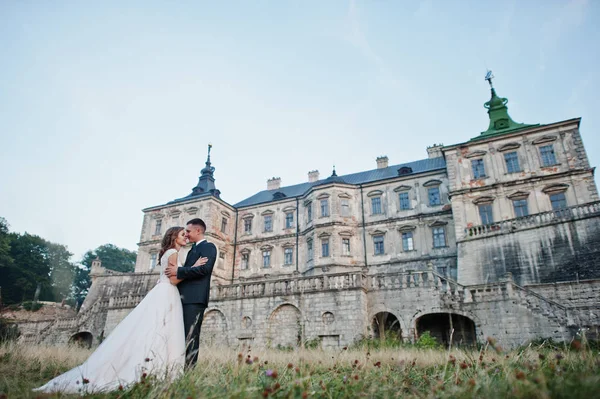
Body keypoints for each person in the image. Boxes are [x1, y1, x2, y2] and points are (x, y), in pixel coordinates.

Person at [34, 227, 207, 393]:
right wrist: (193, 269)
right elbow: (174, 280)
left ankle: (149, 368)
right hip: (168, 292)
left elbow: (168, 276)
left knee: (153, 331)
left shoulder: (167, 253)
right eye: (183, 234)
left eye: (186, 234)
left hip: (161, 292)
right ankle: (158, 371)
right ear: (174, 236)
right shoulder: (173, 253)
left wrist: (183, 270)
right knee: (163, 331)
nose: (186, 237)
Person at [165, 218, 217, 367]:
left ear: (198, 230)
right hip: (184, 297)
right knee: (181, 335)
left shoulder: (208, 247)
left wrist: (179, 270)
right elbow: (191, 272)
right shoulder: (191, 250)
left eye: (188, 231)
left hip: (195, 299)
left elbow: (204, 270)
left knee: (191, 335)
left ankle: (189, 369)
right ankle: (179, 366)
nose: (186, 234)